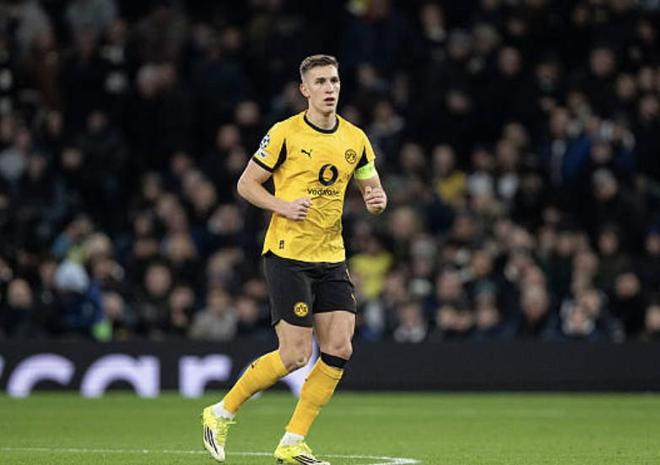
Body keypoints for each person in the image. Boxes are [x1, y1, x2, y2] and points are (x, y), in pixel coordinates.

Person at [201, 54, 387, 465]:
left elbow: (372, 188)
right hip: (288, 255)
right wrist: (282, 206)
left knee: (339, 347)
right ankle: (220, 412)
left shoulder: (356, 139)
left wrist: (377, 200)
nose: (329, 88)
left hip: (331, 256)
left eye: (334, 80)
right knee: (296, 355)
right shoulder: (284, 133)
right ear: (304, 90)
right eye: (320, 82)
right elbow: (246, 184)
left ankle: (292, 441)